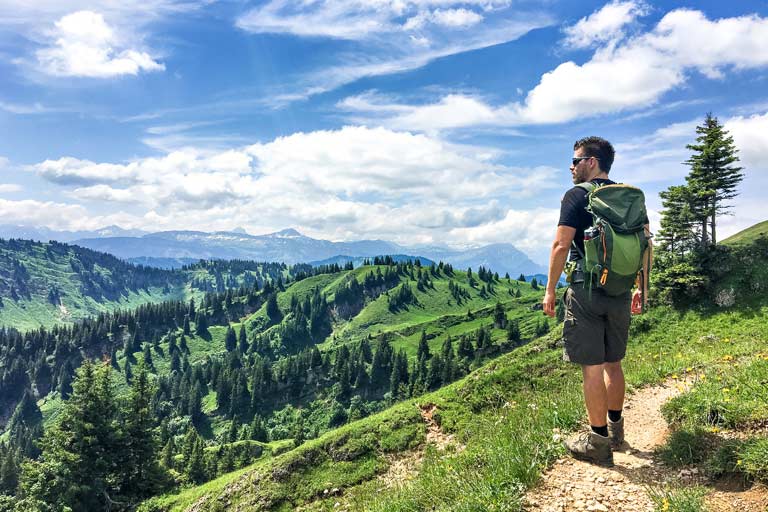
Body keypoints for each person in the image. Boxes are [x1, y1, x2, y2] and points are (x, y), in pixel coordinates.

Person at [542, 136, 650, 467]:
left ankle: (598, 443)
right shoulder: (628, 198)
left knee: (592, 367)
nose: (571, 167)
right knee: (613, 363)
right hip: (620, 290)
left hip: (587, 290)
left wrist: (549, 289)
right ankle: (617, 432)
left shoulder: (576, 196)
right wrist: (642, 289)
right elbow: (645, 243)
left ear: (591, 162)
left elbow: (561, 245)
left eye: (575, 161)